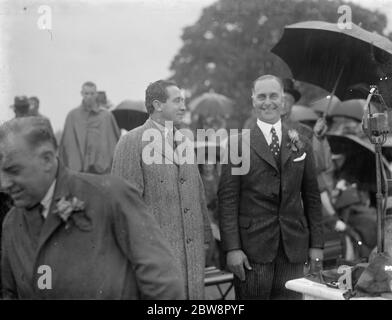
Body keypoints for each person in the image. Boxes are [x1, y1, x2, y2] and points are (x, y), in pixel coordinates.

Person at [0, 116, 184, 299]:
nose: (3, 184)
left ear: (47, 159)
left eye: (13, 171)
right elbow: (9, 293)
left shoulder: (110, 196)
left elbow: (163, 282)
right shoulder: (12, 223)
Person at [218, 75, 324, 300]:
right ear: (253, 101)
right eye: (262, 96)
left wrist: (317, 246)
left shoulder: (301, 141)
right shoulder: (238, 144)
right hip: (251, 252)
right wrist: (232, 249)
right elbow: (227, 200)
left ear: (283, 101)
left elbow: (312, 197)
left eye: (274, 96)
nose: (268, 102)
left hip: (293, 250)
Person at [111, 79, 212, 299]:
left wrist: (205, 239)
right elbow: (124, 208)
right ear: (158, 105)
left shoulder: (185, 141)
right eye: (177, 101)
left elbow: (198, 194)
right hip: (156, 264)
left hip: (193, 261)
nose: (184, 107)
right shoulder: (131, 142)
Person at [59, 81, 120, 174]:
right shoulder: (73, 116)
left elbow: (115, 143)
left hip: (102, 171)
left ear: (96, 94)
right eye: (86, 93)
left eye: (92, 93)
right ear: (82, 94)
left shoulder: (106, 116)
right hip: (78, 172)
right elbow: (66, 144)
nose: (89, 96)